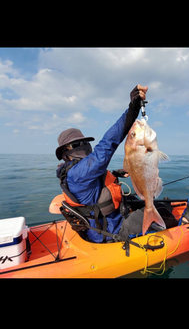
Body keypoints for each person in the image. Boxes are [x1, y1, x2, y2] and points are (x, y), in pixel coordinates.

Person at [56, 85, 150, 243]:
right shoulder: (78, 172)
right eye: (75, 144)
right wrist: (132, 108)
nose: (82, 146)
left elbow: (92, 187)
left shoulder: (73, 172)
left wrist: (114, 174)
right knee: (160, 210)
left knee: (145, 201)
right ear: (65, 152)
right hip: (111, 232)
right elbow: (108, 143)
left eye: (83, 142)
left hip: (108, 223)